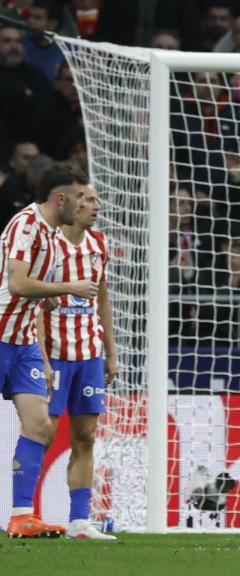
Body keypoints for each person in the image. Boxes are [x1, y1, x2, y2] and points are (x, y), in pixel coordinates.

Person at [3, 165, 97, 538]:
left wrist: (48, 300)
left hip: (24, 343)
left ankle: (22, 516)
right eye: (79, 196)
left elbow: (31, 290)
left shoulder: (54, 235)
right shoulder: (26, 225)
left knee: (40, 425)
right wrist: (67, 287)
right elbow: (18, 283)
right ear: (61, 198)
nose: (84, 202)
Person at [36, 183, 116, 539]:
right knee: (42, 434)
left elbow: (102, 301)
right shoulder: (47, 244)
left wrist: (110, 353)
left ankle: (79, 521)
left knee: (86, 437)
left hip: (89, 356)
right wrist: (40, 355)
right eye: (89, 199)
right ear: (71, 202)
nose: (96, 206)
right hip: (53, 355)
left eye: (97, 200)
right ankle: (23, 510)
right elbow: (32, 302)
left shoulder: (98, 245)